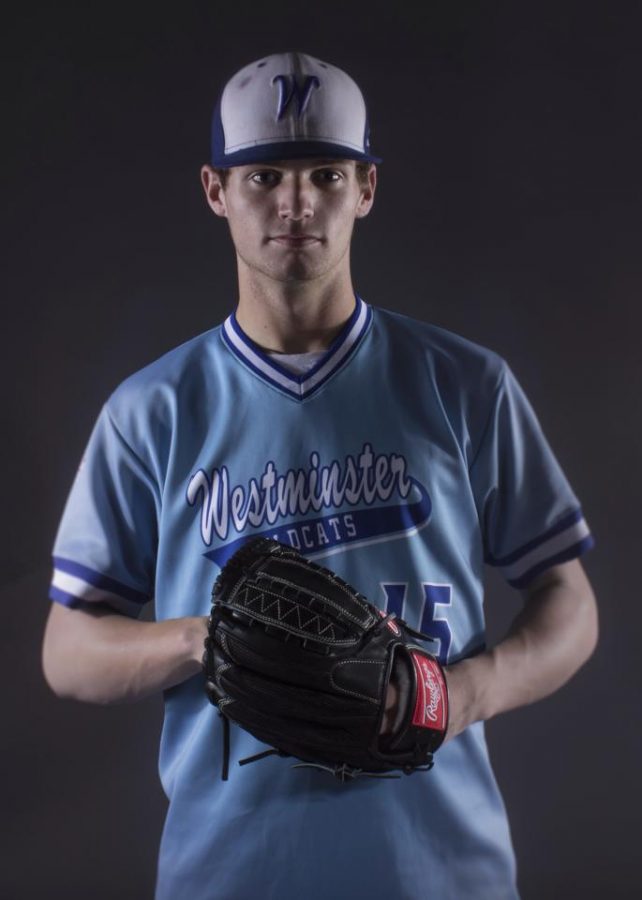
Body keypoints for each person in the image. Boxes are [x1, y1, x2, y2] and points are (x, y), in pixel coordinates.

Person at [42, 51, 598, 899]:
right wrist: (207, 637)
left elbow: (571, 603)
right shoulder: (150, 411)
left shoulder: (464, 383)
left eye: (326, 174)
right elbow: (68, 651)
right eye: (263, 174)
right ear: (214, 191)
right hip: (226, 877)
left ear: (366, 189)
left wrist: (464, 693)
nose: (296, 202)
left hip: (446, 875)